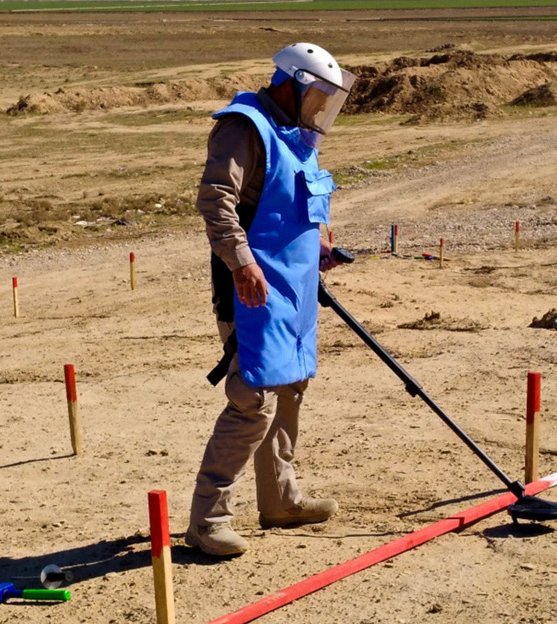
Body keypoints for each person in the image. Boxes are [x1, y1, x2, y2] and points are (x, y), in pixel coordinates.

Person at [187, 43, 355, 557]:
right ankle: (207, 520)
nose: (321, 106)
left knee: (292, 384)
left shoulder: (296, 136)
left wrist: (322, 245)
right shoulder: (245, 126)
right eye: (317, 95)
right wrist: (242, 262)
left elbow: (298, 203)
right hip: (249, 285)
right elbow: (216, 199)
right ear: (290, 83)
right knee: (252, 395)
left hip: (294, 285)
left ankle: (281, 501)